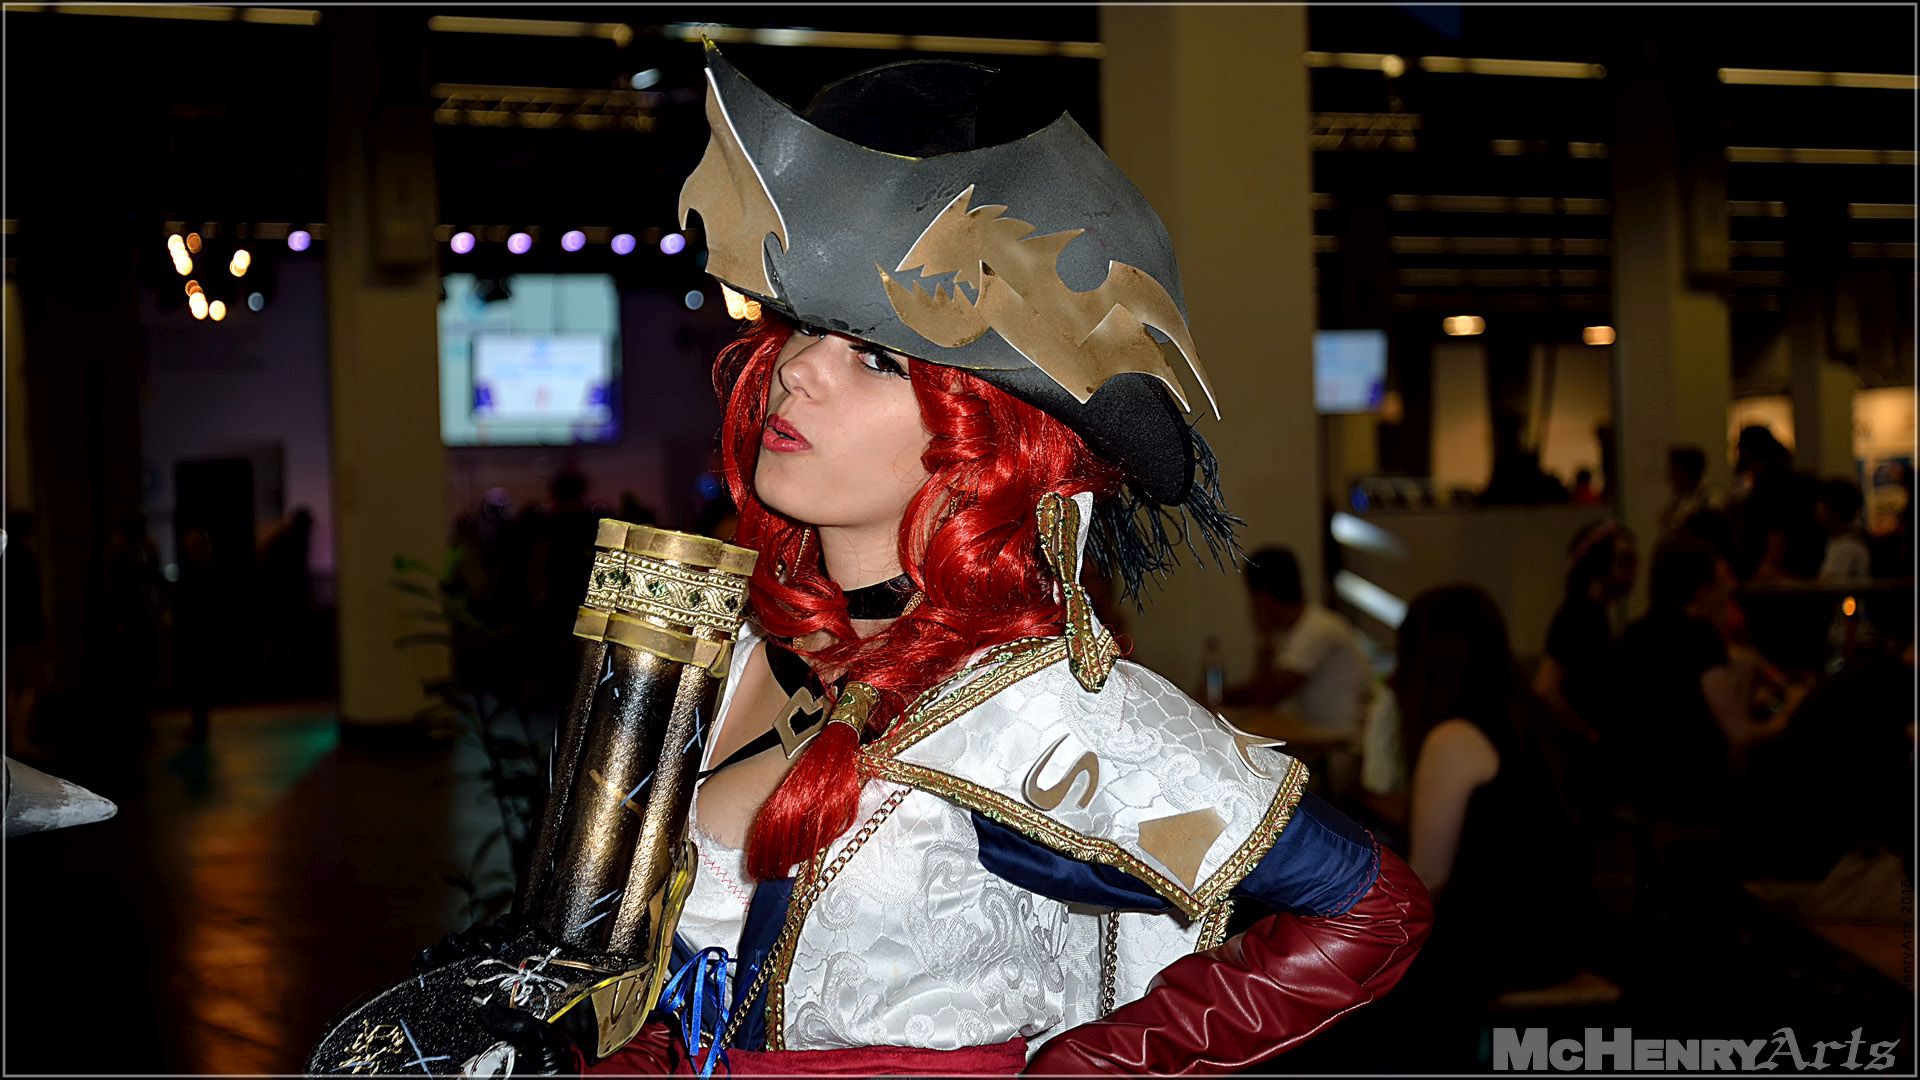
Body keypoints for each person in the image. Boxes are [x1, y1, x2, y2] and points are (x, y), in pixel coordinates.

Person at [583, 49, 1430, 1075]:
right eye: (804, 326)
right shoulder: (724, 645)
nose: (798, 368)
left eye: (876, 357)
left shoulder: (1034, 708)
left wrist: (1087, 1066)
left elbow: (1370, 908)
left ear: (985, 441)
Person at [1390, 585, 1593, 1064]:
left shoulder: (1453, 737)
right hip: (1558, 931)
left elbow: (1427, 878)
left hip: (1502, 945)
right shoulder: (1527, 717)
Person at [1612, 536, 1804, 825]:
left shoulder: (1633, 634)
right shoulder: (1699, 638)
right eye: (1722, 579)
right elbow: (1739, 733)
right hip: (1690, 791)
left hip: (1636, 786)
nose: (1730, 588)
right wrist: (1790, 713)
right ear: (1702, 589)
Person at [1231, 546, 1374, 739]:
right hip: (1323, 736)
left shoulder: (1316, 630)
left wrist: (1263, 637)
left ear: (1264, 597)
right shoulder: (1297, 629)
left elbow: (1266, 697)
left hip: (1343, 741)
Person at [1534, 519, 1635, 739]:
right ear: (1598, 565)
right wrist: (1587, 732)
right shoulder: (1576, 616)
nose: (1633, 572)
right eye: (1624, 561)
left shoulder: (1597, 615)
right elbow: (1545, 688)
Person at [1659, 445, 1727, 539]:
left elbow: (1710, 530)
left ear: (1685, 472)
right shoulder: (1681, 499)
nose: (1669, 476)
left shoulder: (1712, 496)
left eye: (1674, 470)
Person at [1815, 477, 1872, 583]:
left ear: (1835, 511)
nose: (1817, 510)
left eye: (1822, 505)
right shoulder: (1837, 542)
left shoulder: (1848, 548)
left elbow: (1825, 586)